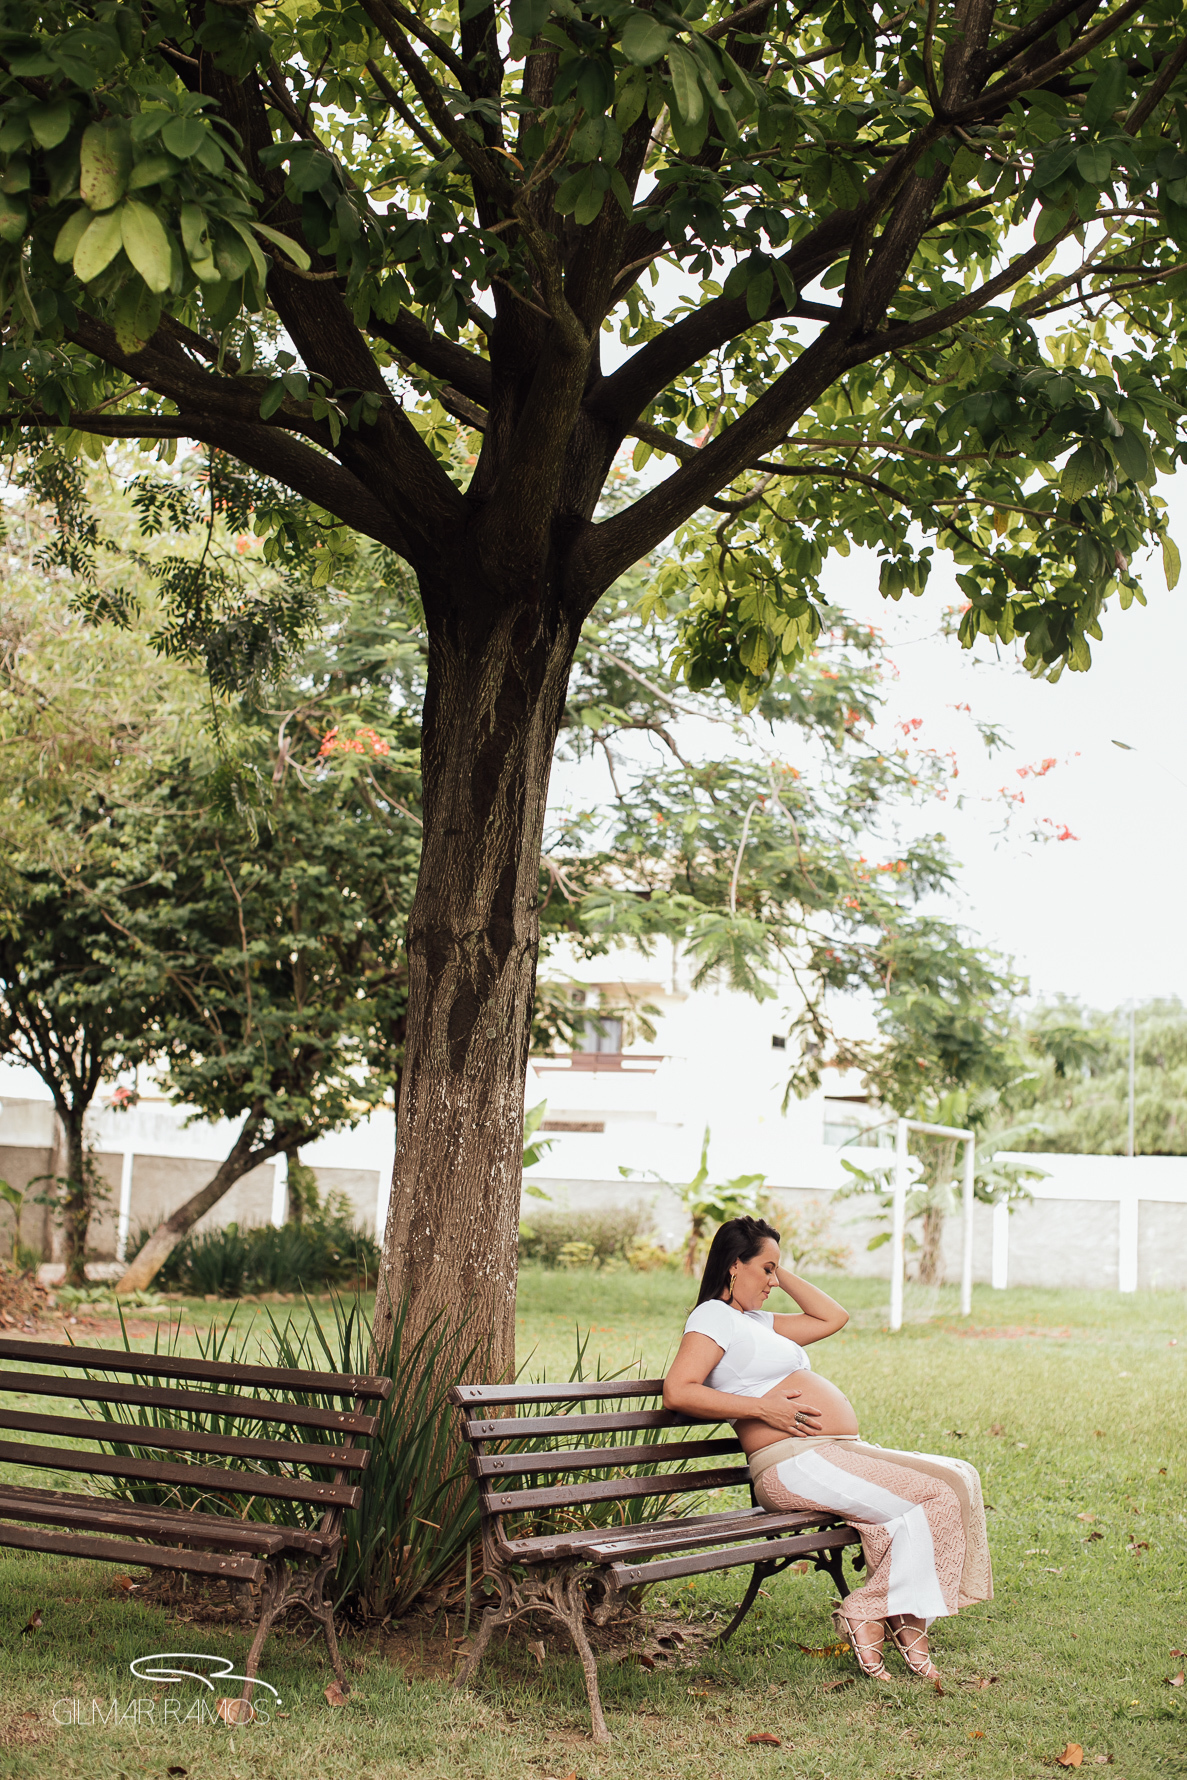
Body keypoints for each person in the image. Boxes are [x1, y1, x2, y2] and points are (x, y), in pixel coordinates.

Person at [663, 1214, 992, 1680]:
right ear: (734, 1265)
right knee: (940, 1491)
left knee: (958, 1476)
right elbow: (679, 1390)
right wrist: (761, 1408)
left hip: (828, 1454)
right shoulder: (714, 1317)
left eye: (776, 1271)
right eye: (765, 1270)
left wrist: (777, 1267)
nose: (772, 1282)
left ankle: (905, 1625)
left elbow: (832, 1316)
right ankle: (868, 1609)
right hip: (794, 1464)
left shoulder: (755, 1320)